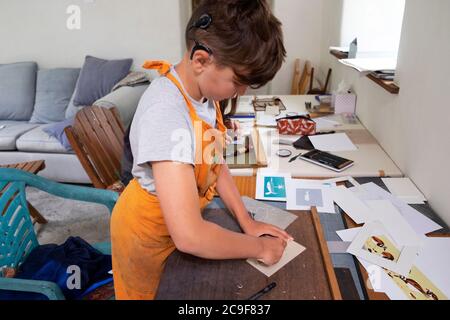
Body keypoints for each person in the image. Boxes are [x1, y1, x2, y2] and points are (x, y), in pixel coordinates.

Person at [111, 0, 290, 300]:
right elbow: (190, 235)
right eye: (238, 82)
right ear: (201, 61)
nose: (241, 93)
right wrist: (260, 248)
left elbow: (215, 164)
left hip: (181, 221)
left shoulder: (203, 96)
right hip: (148, 237)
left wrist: (246, 221)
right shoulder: (166, 114)